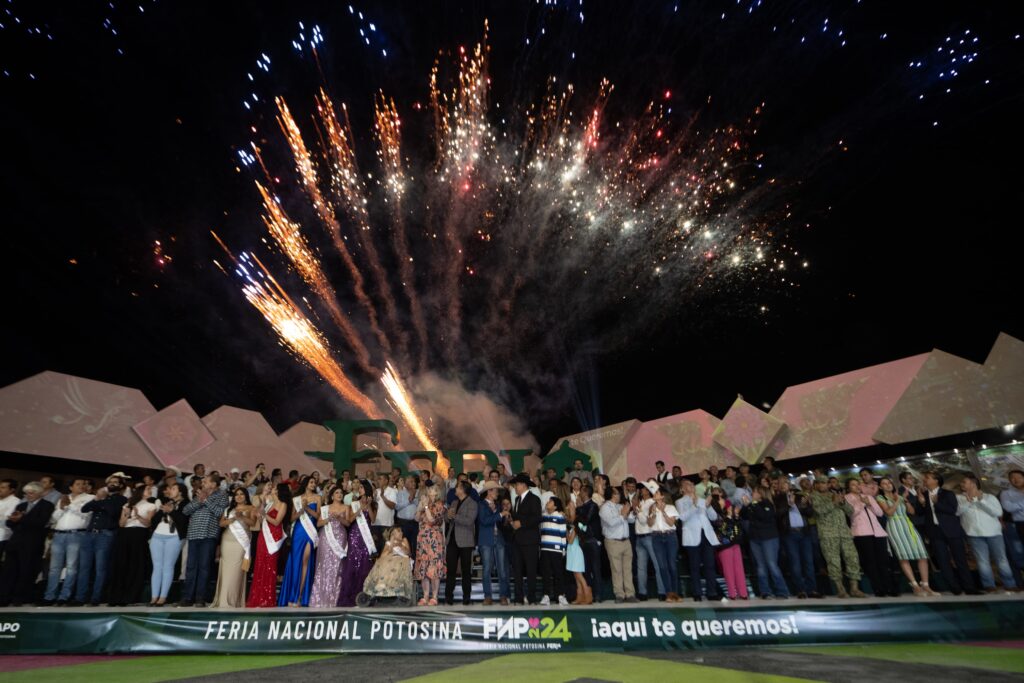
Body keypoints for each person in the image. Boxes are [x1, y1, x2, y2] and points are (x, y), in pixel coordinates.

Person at [918, 471, 981, 595]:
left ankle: (969, 587)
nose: (924, 480)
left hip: (952, 530)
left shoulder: (947, 493)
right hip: (935, 532)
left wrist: (937, 503)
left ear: (936, 480)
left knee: (960, 559)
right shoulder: (923, 495)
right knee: (943, 561)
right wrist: (922, 503)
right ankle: (954, 588)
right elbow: (919, 513)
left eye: (927, 477)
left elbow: (952, 510)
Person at [875, 476, 936, 596]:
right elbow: (889, 513)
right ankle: (914, 585)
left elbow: (912, 512)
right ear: (880, 487)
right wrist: (898, 500)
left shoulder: (900, 496)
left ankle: (926, 585)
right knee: (904, 557)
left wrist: (906, 500)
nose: (888, 485)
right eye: (884, 483)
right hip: (895, 526)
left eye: (889, 482)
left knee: (922, 555)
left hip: (908, 524)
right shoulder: (880, 497)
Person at [958, 473, 1017, 592]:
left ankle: (1010, 584)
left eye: (964, 482)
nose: (962, 484)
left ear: (973, 483)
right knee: (982, 561)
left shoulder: (989, 497)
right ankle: (989, 585)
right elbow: (957, 512)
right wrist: (968, 502)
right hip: (974, 533)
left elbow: (998, 512)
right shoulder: (959, 498)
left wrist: (980, 501)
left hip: (994, 532)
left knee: (1001, 559)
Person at [0, 482, 55, 606]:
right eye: (26, 493)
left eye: (31, 493)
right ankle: (4, 598)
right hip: (15, 542)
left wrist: (22, 519)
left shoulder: (46, 505)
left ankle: (18, 598)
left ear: (39, 493)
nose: (28, 495)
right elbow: (10, 525)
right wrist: (12, 520)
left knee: (25, 571)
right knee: (9, 571)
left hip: (32, 544)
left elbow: (40, 522)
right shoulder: (22, 505)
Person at [810, 476, 865, 598]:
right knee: (833, 562)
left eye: (826, 483)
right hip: (828, 534)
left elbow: (850, 511)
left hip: (844, 532)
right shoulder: (814, 496)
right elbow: (819, 511)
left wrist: (843, 502)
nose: (824, 485)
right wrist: (834, 502)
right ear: (816, 485)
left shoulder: (836, 494)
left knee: (852, 558)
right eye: (821, 483)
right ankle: (840, 589)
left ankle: (854, 588)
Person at [42, 477, 93, 606]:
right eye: (78, 484)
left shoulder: (89, 498)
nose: (81, 486)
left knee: (71, 567)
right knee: (54, 568)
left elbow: (85, 514)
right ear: (71, 487)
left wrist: (69, 506)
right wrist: (61, 508)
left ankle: (64, 596)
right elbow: (54, 518)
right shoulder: (63, 497)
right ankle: (49, 596)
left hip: (76, 534)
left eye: (83, 484)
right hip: (59, 534)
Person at [180, 475, 229, 607]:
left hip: (208, 535)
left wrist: (206, 500)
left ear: (214, 484)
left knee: (204, 567)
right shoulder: (199, 495)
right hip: (193, 535)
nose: (202, 483)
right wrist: (199, 501)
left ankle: (200, 598)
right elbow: (185, 510)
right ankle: (187, 597)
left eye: (205, 481)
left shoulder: (222, 495)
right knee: (190, 568)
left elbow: (220, 512)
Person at [845, 479, 894, 597]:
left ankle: (890, 587)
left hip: (878, 532)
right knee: (870, 562)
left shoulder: (869, 497)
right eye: (853, 484)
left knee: (883, 561)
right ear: (848, 487)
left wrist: (869, 503)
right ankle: (878, 588)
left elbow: (879, 513)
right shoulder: (847, 498)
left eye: (858, 484)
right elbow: (851, 513)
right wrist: (861, 503)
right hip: (861, 533)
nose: (856, 486)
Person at [676, 480, 724, 602]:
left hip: (706, 535)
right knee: (694, 566)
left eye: (692, 484)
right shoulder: (680, 502)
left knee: (710, 565)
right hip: (692, 536)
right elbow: (682, 517)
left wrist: (708, 506)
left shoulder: (702, 500)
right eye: (687, 485)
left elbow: (713, 517)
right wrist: (695, 505)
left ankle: (712, 592)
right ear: (682, 489)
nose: (690, 486)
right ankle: (697, 593)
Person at [741, 486, 790, 599]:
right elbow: (744, 516)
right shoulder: (752, 505)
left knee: (772, 564)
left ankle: (782, 591)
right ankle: (765, 591)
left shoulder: (767, 504)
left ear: (761, 494)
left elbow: (764, 516)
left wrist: (752, 504)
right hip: (755, 538)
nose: (752, 493)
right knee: (760, 566)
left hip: (769, 538)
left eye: (755, 491)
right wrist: (745, 506)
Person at [210, 486, 254, 608]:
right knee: (226, 570)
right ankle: (223, 600)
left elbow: (253, 523)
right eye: (237, 494)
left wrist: (242, 517)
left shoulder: (251, 508)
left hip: (241, 542)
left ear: (246, 496)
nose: (239, 496)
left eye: (242, 494)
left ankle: (233, 600)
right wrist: (230, 520)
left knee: (236, 571)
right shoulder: (229, 509)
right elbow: (221, 523)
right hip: (227, 540)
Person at [246, 483, 289, 608]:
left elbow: (277, 521)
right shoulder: (269, 504)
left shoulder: (283, 504)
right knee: (260, 564)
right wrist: (262, 511)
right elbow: (261, 520)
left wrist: (265, 515)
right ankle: (257, 597)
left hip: (273, 536)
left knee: (270, 565)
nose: (272, 489)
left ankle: (267, 598)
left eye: (274, 488)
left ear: (278, 491)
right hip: (263, 535)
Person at [775, 478, 818, 599]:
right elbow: (777, 515)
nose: (784, 485)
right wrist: (789, 505)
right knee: (795, 563)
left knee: (809, 562)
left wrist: (807, 505)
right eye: (782, 484)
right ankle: (800, 590)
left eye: (786, 483)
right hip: (789, 534)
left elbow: (809, 513)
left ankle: (812, 589)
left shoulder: (799, 496)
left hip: (805, 533)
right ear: (778, 487)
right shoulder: (777, 499)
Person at [308, 486, 350, 608]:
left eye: (341, 492)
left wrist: (340, 518)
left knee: (337, 567)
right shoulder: (325, 508)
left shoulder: (346, 507)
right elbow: (318, 523)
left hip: (340, 537)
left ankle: (335, 598)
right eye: (337, 492)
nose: (339, 494)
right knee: (324, 565)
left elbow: (348, 523)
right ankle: (320, 598)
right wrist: (328, 519)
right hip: (326, 538)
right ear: (332, 496)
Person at [149, 481, 189, 606]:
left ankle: (163, 596)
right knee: (157, 567)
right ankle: (154, 596)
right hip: (157, 536)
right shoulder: (167, 502)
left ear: (181, 491)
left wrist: (171, 511)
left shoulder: (186, 503)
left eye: (173, 488)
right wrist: (163, 510)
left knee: (168, 566)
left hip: (174, 537)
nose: (169, 490)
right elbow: (154, 520)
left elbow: (183, 521)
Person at [360, 526, 416, 606]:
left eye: (401, 531)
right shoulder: (388, 543)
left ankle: (397, 589)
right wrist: (391, 546)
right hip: (389, 560)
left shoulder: (404, 540)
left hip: (401, 559)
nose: (401, 533)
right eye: (399, 531)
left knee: (397, 566)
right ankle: (379, 586)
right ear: (393, 534)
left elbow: (408, 553)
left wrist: (400, 545)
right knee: (381, 563)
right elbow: (383, 556)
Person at [444, 481, 479, 605]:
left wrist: (454, 516)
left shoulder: (473, 503)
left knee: (466, 571)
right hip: (452, 541)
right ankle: (448, 596)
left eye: (458, 487)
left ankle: (466, 597)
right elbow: (447, 519)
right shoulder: (454, 502)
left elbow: (469, 521)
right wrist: (447, 515)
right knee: (451, 570)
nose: (455, 489)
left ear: (463, 490)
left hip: (466, 541)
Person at [509, 473, 542, 605]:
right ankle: (518, 597)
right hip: (517, 540)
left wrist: (521, 523)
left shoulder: (534, 499)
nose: (515, 487)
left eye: (516, 485)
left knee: (531, 570)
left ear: (523, 485)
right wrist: (512, 522)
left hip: (530, 540)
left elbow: (537, 517)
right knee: (517, 569)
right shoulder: (517, 500)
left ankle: (532, 597)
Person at [600, 486, 637, 603]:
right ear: (611, 494)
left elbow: (631, 520)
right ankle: (619, 594)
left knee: (628, 569)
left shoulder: (621, 506)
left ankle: (630, 594)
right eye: (616, 493)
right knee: (616, 569)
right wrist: (622, 515)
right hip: (613, 542)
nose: (619, 495)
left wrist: (633, 510)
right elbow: (611, 522)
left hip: (626, 541)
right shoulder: (604, 508)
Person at [710, 492, 748, 600]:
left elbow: (738, 526)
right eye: (721, 499)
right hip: (724, 546)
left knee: (739, 569)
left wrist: (735, 516)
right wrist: (729, 516)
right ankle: (732, 593)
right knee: (728, 571)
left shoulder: (727, 512)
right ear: (716, 502)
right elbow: (723, 529)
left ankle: (743, 593)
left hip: (736, 543)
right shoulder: (715, 515)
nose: (723, 500)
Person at [647, 486, 682, 601]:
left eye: (656, 492)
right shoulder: (651, 507)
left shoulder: (670, 507)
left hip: (670, 536)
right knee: (662, 566)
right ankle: (669, 594)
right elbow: (650, 524)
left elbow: (671, 523)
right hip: (656, 537)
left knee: (672, 565)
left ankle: (675, 593)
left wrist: (663, 512)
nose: (654, 494)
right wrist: (653, 513)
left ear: (662, 496)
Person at [477, 480, 509, 605]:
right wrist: (500, 514)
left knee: (502, 569)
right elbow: (484, 521)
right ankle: (487, 596)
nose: (497, 493)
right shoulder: (481, 505)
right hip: (486, 540)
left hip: (498, 539)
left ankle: (503, 596)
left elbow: (500, 522)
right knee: (486, 569)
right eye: (495, 490)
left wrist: (503, 515)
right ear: (489, 492)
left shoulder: (498, 505)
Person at [414, 483, 446, 606]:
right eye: (428, 490)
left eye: (432, 490)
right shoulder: (424, 505)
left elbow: (432, 520)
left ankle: (434, 596)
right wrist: (420, 507)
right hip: (423, 539)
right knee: (423, 566)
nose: (429, 491)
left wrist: (426, 506)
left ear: (437, 493)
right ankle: (425, 595)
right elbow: (416, 519)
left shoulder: (439, 505)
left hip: (434, 540)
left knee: (434, 567)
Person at [634, 481, 665, 601]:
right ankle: (642, 592)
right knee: (641, 567)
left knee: (657, 564)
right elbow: (633, 519)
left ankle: (662, 592)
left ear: (648, 491)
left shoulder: (652, 503)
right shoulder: (641, 503)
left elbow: (644, 521)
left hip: (649, 536)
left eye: (643, 488)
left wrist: (638, 511)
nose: (641, 490)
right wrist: (636, 511)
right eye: (641, 488)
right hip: (639, 537)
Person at [574, 483, 604, 603]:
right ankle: (589, 594)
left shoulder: (593, 506)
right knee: (586, 568)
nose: (579, 494)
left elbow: (586, 519)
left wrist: (579, 508)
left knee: (596, 568)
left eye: (581, 491)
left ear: (585, 493)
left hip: (592, 540)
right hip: (583, 540)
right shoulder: (583, 507)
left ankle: (598, 594)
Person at [539, 496, 569, 605]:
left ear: (555, 506)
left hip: (556, 550)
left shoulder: (560, 516)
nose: (548, 502)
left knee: (558, 573)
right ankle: (546, 596)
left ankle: (560, 595)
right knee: (546, 573)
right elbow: (541, 532)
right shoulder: (543, 516)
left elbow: (563, 534)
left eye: (550, 501)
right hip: (545, 549)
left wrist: (563, 549)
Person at [565, 501, 588, 603]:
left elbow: (570, 540)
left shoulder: (576, 524)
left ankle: (587, 595)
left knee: (579, 575)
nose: (569, 507)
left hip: (575, 551)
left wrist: (566, 531)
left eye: (571, 506)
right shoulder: (572, 523)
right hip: (572, 551)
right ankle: (580, 597)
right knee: (576, 576)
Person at [395, 474, 420, 558]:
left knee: (414, 544)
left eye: (414, 482)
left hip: (414, 523)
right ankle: (405, 566)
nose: (414, 483)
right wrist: (409, 501)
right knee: (404, 545)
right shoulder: (401, 493)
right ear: (406, 484)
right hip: (403, 523)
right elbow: (397, 507)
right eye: (411, 482)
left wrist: (414, 498)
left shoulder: (417, 493)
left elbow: (418, 506)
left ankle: (413, 566)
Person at [373, 473, 398, 550]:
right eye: (378, 479)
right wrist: (373, 499)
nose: (378, 480)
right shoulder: (376, 491)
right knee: (376, 547)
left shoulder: (392, 491)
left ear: (386, 481)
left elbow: (392, 506)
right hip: (375, 523)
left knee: (385, 547)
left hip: (386, 524)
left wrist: (383, 496)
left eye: (380, 479)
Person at [0, 479, 21, 566]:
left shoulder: (15, 501)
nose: (0, 489)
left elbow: (7, 518)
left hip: (2, 536)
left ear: (12, 490)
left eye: (3, 487)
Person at [1000, 469, 1024, 545]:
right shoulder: (1006, 493)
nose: (1016, 480)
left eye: (1019, 477)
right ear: (1009, 480)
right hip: (1021, 523)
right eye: (1013, 478)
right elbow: (1008, 508)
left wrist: (1018, 505)